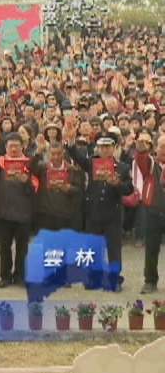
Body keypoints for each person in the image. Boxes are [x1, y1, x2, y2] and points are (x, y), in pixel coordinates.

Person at [65, 122, 132, 292]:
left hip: (113, 214)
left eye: (108, 147)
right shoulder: (92, 162)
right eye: (101, 147)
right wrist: (71, 140)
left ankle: (115, 278)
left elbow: (129, 189)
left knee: (114, 248)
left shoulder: (123, 167)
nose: (104, 150)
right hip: (93, 212)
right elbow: (77, 156)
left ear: (114, 148)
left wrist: (117, 185)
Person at [0, 128, 35, 288]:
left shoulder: (29, 163)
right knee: (4, 247)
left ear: (22, 147)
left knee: (22, 248)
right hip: (3, 213)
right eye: (10, 146)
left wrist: (26, 181)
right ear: (6, 147)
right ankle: (5, 276)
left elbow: (34, 190)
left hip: (23, 213)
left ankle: (20, 275)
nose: (13, 149)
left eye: (17, 146)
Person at [125, 132, 164, 294]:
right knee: (151, 249)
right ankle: (150, 281)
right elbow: (141, 159)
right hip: (154, 211)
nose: (164, 149)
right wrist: (140, 148)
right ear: (155, 148)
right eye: (162, 146)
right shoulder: (151, 163)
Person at [29, 134, 84, 230]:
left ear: (63, 153)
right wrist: (38, 151)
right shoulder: (43, 168)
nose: (56, 157)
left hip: (65, 215)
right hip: (45, 214)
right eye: (53, 154)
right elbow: (30, 168)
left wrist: (69, 189)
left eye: (58, 154)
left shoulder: (72, 170)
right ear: (49, 154)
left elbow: (80, 189)